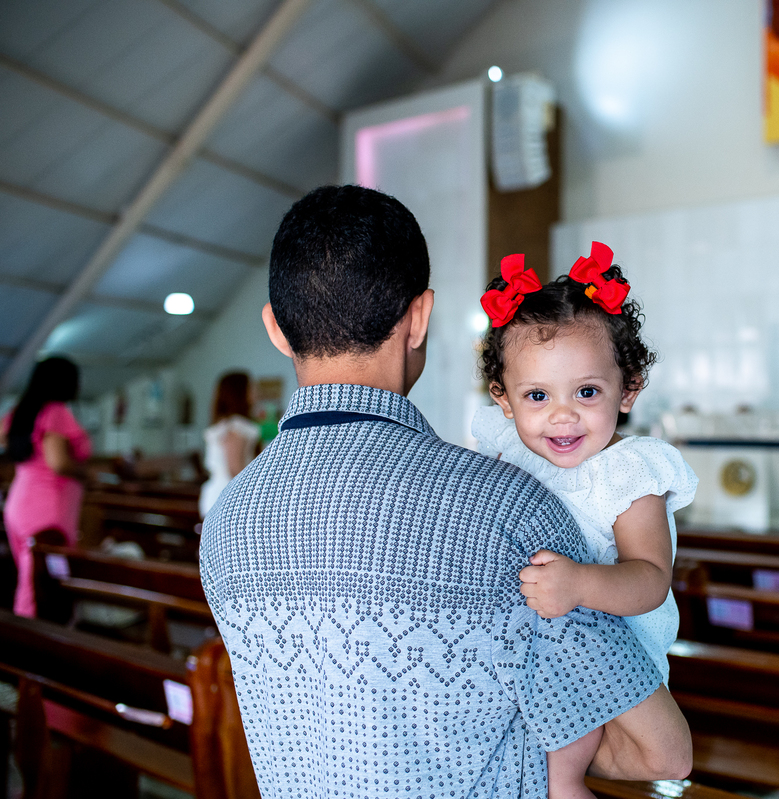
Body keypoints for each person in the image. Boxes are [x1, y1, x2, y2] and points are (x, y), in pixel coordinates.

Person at [199, 185, 691, 799]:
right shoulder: (504, 507)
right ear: (420, 316)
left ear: (275, 327)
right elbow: (661, 751)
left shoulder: (227, 521)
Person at [472, 244, 697, 799]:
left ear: (630, 387)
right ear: (503, 398)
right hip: (544, 639)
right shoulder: (514, 450)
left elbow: (650, 578)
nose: (562, 414)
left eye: (587, 392)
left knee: (561, 772)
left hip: (616, 644)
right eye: (537, 395)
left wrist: (578, 583)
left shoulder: (628, 473)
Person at [1, 356, 91, 616]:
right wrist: (86, 473)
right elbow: (58, 463)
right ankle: (31, 641)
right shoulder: (56, 412)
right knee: (39, 586)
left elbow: (5, 437)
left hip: (19, 504)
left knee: (30, 579)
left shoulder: (23, 411)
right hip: (47, 509)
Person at [198, 371, 260, 517]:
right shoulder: (237, 426)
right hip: (228, 495)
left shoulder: (227, 423)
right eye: (252, 388)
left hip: (218, 492)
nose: (256, 392)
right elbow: (234, 467)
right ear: (239, 392)